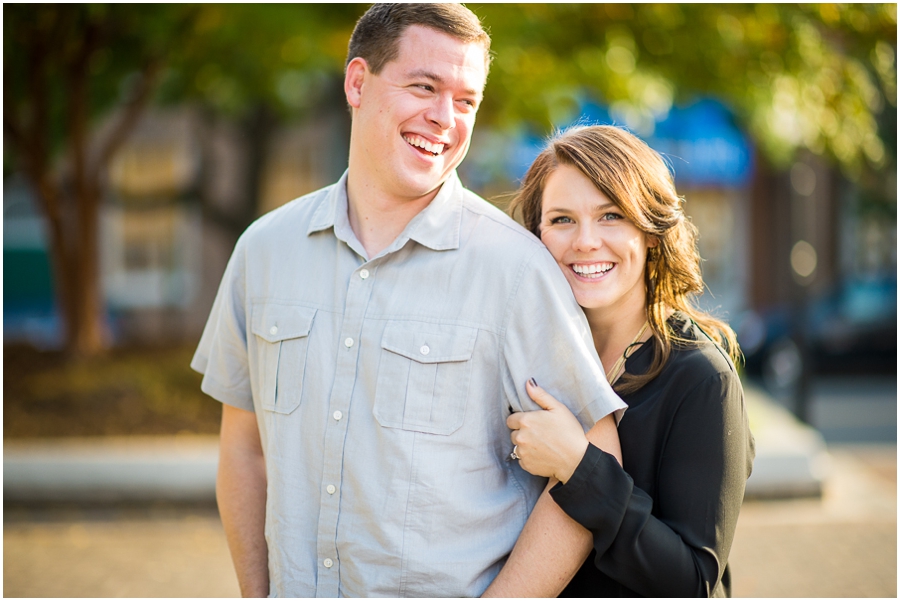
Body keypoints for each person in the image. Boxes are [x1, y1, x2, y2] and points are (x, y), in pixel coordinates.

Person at [191, 4, 625, 598]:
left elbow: (592, 459)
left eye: (466, 100)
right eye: (424, 86)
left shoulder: (516, 270)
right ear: (357, 83)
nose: (445, 118)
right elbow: (243, 447)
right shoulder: (263, 251)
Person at [485, 125, 755, 597]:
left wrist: (579, 467)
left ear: (651, 233)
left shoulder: (701, 380)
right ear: (535, 237)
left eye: (610, 216)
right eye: (562, 220)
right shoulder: (526, 361)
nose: (586, 242)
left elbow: (692, 582)